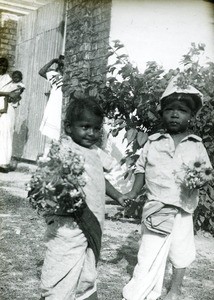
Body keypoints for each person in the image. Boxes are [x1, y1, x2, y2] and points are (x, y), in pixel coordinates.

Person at [122, 77, 212, 300]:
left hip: (183, 208)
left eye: (181, 110)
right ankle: (141, 292)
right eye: (169, 109)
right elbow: (141, 168)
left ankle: (174, 290)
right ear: (162, 113)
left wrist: (199, 179)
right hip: (156, 205)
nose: (174, 114)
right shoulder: (153, 141)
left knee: (180, 252)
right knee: (148, 252)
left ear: (190, 116)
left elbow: (207, 172)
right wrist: (133, 192)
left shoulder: (196, 144)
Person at [40, 96, 129, 300]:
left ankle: (85, 294)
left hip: (94, 221)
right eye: (85, 127)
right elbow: (48, 180)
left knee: (87, 269)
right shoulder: (63, 150)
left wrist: (118, 196)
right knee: (61, 265)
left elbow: (100, 178)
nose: (91, 133)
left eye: (96, 128)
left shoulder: (95, 152)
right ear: (69, 127)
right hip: (68, 224)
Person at [0, 58, 24, 172]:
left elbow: (16, 94)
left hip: (7, 108)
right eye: (0, 65)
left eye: (5, 66)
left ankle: (4, 163)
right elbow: (9, 93)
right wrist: (7, 93)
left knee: (6, 133)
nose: (2, 67)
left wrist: (13, 94)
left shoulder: (10, 79)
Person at [39, 55, 64, 156]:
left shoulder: (70, 76)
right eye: (61, 64)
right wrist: (53, 61)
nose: (63, 67)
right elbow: (41, 72)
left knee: (59, 133)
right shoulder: (55, 75)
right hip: (54, 104)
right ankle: (46, 156)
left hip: (62, 104)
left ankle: (54, 156)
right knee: (50, 132)